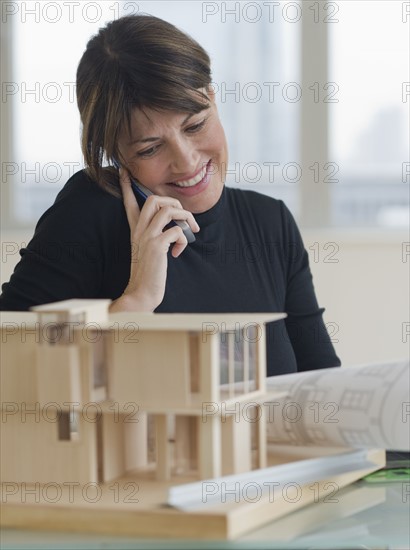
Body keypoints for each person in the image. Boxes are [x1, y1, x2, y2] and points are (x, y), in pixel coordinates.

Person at [0, 14, 341, 376]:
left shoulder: (270, 223)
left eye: (195, 125)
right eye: (149, 149)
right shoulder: (91, 212)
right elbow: (12, 366)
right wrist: (136, 300)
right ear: (115, 153)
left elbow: (321, 385)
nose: (187, 161)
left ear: (212, 97)